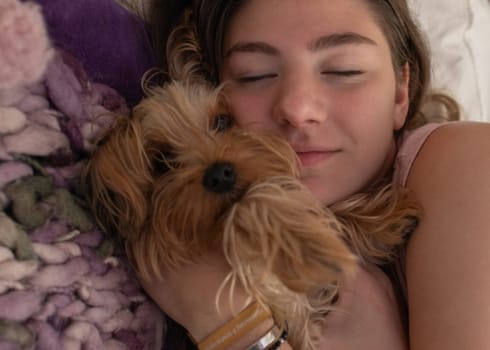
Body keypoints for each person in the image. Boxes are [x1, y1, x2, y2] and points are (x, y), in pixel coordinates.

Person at [138, 0, 490, 349]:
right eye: (254, 75)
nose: (297, 108)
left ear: (401, 91)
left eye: (343, 70)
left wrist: (238, 330)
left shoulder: (465, 160)